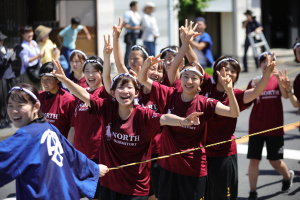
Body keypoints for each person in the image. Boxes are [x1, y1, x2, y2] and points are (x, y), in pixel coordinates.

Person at [52, 35, 202, 199]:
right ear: (113, 92)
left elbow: (164, 118)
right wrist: (64, 79)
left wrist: (184, 121)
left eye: (129, 88)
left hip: (135, 188)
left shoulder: (143, 114)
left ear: (136, 92)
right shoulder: (106, 108)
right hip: (110, 184)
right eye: (120, 88)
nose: (125, 91)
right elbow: (82, 94)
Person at [0, 83, 109, 199]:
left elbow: (72, 155)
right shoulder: (49, 127)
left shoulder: (26, 135)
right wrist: (94, 168)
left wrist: (94, 168)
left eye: (20, 105)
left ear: (36, 106)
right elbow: (73, 156)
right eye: (10, 105)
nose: (14, 111)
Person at [246, 52, 294, 200]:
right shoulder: (254, 81)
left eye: (270, 61)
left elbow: (286, 96)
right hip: (256, 127)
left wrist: (281, 81)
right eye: (263, 61)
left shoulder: (278, 78)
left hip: (275, 128)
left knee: (275, 161)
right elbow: (246, 104)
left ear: (274, 63)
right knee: (254, 160)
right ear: (260, 64)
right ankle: (252, 192)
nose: (266, 64)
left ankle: (287, 176)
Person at [68, 56, 108, 200]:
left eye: (94, 71)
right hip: (79, 154)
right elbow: (73, 127)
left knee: (96, 195)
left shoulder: (105, 93)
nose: (90, 75)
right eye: (87, 71)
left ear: (102, 73)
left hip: (97, 154)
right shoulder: (79, 96)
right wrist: (68, 150)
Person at [39, 62, 75, 139]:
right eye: (42, 79)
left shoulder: (68, 100)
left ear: (58, 80)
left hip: (61, 146)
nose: (44, 82)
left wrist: (68, 149)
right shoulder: (39, 97)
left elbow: (73, 128)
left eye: (48, 79)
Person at [19, 25, 44, 91]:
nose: (30, 34)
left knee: (40, 92)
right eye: (27, 33)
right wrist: (38, 56)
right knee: (31, 93)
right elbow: (26, 61)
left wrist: (42, 54)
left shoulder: (34, 42)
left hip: (38, 70)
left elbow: (38, 56)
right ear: (22, 35)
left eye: (31, 32)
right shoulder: (23, 46)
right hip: (28, 73)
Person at [0, 31, 17, 128]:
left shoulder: (5, 48)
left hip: (10, 76)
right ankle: (2, 120)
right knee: (2, 99)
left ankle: (8, 118)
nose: (2, 41)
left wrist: (12, 54)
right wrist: (6, 56)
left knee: (11, 97)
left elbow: (10, 61)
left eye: (2, 39)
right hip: (2, 77)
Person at [124, 1, 142, 68]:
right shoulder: (128, 14)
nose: (137, 8)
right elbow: (126, 25)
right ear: (133, 6)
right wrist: (135, 27)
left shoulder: (135, 14)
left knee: (133, 51)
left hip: (135, 34)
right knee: (129, 51)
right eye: (136, 6)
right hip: (130, 34)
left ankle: (132, 65)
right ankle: (127, 66)